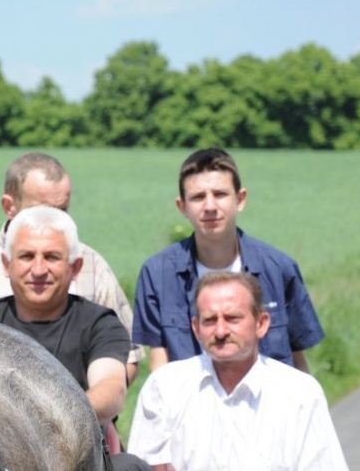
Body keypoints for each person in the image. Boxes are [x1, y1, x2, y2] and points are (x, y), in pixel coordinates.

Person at [114, 272, 355, 471]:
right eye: (210, 320)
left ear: (262, 323)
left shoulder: (299, 391)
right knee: (124, 469)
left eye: (233, 318)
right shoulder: (166, 385)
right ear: (196, 328)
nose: (221, 330)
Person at [0, 152, 144, 383]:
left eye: (62, 210)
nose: (52, 219)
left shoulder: (91, 263)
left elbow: (128, 358)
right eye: (41, 210)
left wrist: (98, 404)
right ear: (8, 206)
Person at [133, 147, 323, 374]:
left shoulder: (278, 268)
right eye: (198, 197)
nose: (210, 206)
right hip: (192, 406)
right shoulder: (157, 274)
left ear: (240, 199)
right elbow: (159, 362)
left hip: (266, 406)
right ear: (182, 207)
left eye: (220, 194)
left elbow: (297, 362)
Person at [0, 206, 129, 432]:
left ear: (75, 267)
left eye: (51, 257)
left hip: (80, 453)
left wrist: (50, 419)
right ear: (7, 265)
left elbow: (112, 390)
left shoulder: (99, 324)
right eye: (26, 256)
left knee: (130, 468)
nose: (38, 269)